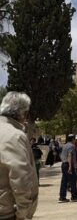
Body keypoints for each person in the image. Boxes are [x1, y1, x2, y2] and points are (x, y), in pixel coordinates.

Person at [0, 92, 39, 220]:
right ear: (24, 114)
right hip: (7, 213)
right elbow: (20, 176)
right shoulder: (14, 135)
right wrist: (23, 212)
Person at [58, 134, 77, 203]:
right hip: (69, 164)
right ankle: (74, 197)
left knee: (64, 181)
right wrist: (71, 167)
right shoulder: (71, 146)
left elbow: (61, 155)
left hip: (64, 164)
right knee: (72, 181)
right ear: (73, 139)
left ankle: (62, 197)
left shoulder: (65, 145)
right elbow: (70, 155)